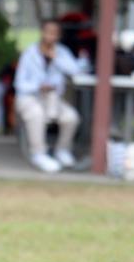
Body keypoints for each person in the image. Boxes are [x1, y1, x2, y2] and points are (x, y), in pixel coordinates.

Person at [14, 19, 83, 173]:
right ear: (42, 33)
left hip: (53, 99)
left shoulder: (62, 52)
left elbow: (75, 70)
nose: (51, 36)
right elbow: (19, 83)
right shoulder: (30, 53)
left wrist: (56, 58)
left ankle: (62, 150)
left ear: (58, 36)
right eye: (48, 32)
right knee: (36, 114)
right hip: (29, 98)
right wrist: (38, 87)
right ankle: (39, 154)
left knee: (71, 117)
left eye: (55, 33)